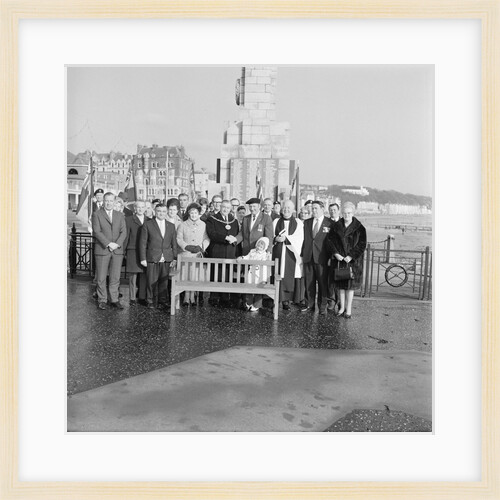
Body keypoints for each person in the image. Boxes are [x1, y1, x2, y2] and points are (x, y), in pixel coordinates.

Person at [326, 201, 367, 319]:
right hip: (339, 261)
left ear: (353, 213)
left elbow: (362, 244)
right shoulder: (335, 226)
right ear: (342, 213)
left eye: (349, 213)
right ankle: (342, 307)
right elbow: (330, 241)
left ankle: (348, 309)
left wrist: (351, 256)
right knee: (340, 287)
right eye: (344, 213)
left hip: (353, 263)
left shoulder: (360, 228)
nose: (346, 215)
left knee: (350, 287)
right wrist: (336, 253)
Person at [92, 192, 127, 310]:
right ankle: (102, 299)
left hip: (117, 250)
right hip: (103, 249)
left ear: (114, 201)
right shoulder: (97, 214)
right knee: (101, 277)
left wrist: (116, 244)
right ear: (103, 201)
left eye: (111, 201)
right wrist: (108, 243)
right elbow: (97, 232)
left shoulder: (120, 215)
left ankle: (114, 299)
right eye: (106, 200)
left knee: (115, 277)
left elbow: (124, 232)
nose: (109, 203)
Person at [139, 204, 178, 309]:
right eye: (159, 211)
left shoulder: (171, 225)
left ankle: (162, 301)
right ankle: (150, 300)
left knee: (164, 281)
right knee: (151, 280)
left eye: (164, 211)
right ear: (155, 212)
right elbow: (142, 243)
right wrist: (143, 258)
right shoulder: (148, 224)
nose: (161, 213)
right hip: (152, 257)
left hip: (166, 257)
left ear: (167, 213)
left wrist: (174, 258)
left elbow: (174, 243)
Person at [205, 199, 240, 307]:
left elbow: (237, 233)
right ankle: (214, 297)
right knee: (216, 273)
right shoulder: (212, 219)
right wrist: (225, 237)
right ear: (220, 207)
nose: (225, 209)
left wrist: (233, 239)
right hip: (217, 250)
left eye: (228, 208)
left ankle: (225, 297)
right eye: (224, 207)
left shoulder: (233, 220)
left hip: (230, 251)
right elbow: (211, 233)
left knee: (227, 275)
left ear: (230, 209)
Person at [301, 200, 332, 315]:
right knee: (309, 282)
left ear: (322, 209)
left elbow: (331, 242)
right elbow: (303, 239)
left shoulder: (329, 223)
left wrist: (330, 257)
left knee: (323, 283)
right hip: (308, 256)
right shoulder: (307, 222)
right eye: (312, 208)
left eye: (316, 208)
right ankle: (309, 304)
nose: (313, 210)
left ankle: (322, 306)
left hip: (322, 258)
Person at [272, 199, 304, 310]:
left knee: (291, 274)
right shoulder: (276, 221)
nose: (286, 210)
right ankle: (279, 299)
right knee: (278, 273)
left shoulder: (298, 222)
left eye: (288, 208)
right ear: (281, 209)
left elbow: (299, 238)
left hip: (291, 254)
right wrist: (275, 238)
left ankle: (289, 300)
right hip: (279, 252)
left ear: (293, 209)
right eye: (284, 208)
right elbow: (271, 235)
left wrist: (286, 238)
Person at [176, 202, 210, 306]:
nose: (193, 215)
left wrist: (202, 247)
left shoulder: (203, 225)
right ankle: (186, 298)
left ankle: (194, 297)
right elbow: (179, 239)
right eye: (191, 213)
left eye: (195, 213)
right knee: (186, 276)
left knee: (195, 276)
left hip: (197, 255)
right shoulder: (182, 224)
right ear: (189, 213)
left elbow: (207, 238)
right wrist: (186, 246)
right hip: (186, 254)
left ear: (199, 213)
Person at [238, 236, 271, 312]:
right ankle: (249, 303)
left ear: (264, 247)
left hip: (259, 275)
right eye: (258, 245)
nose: (259, 247)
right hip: (251, 273)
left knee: (259, 289)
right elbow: (247, 257)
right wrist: (242, 258)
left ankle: (257, 305)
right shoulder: (252, 251)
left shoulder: (265, 255)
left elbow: (265, 264)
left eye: (261, 246)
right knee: (249, 287)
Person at [124, 200, 147, 305]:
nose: (140, 209)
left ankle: (142, 297)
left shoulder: (150, 220)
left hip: (146, 251)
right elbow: (126, 236)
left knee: (144, 275)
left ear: (145, 208)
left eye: (142, 207)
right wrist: (124, 251)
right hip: (133, 250)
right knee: (133, 276)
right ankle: (132, 298)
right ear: (135, 208)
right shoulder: (128, 220)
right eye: (138, 207)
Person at [326, 202, 341, 311]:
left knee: (340, 280)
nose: (332, 212)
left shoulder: (343, 222)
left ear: (338, 211)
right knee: (330, 280)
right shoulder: (326, 222)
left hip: (340, 257)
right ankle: (331, 301)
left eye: (334, 210)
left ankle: (340, 302)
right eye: (331, 210)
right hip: (329, 256)